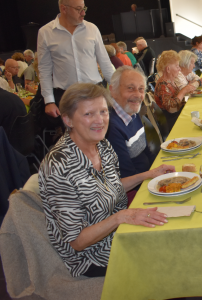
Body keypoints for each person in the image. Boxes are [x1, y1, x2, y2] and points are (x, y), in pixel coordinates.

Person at [39, 82, 174, 278]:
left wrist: (149, 174)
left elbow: (110, 187)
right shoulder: (59, 167)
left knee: (171, 233)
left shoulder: (102, 146)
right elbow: (77, 241)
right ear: (68, 120)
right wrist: (121, 217)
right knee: (165, 259)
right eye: (88, 114)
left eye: (103, 112)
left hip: (119, 232)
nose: (99, 120)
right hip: (92, 256)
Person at [37, 0, 115, 120]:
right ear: (64, 9)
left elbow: (105, 63)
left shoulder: (92, 29)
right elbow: (44, 70)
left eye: (84, 8)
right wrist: (49, 101)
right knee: (73, 136)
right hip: (66, 96)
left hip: (94, 91)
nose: (83, 13)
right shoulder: (45, 33)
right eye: (78, 9)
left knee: (100, 132)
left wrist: (117, 90)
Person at [107, 66, 159, 204]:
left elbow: (146, 150)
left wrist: (158, 170)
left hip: (146, 179)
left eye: (141, 89)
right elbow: (127, 174)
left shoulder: (132, 113)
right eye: (130, 88)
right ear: (113, 91)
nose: (137, 95)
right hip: (136, 191)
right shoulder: (111, 127)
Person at [154, 50, 197, 129]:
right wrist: (183, 91)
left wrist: (187, 94)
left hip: (177, 116)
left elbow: (177, 100)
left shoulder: (170, 81)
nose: (179, 69)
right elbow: (171, 108)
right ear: (168, 69)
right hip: (171, 122)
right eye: (177, 66)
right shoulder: (162, 84)